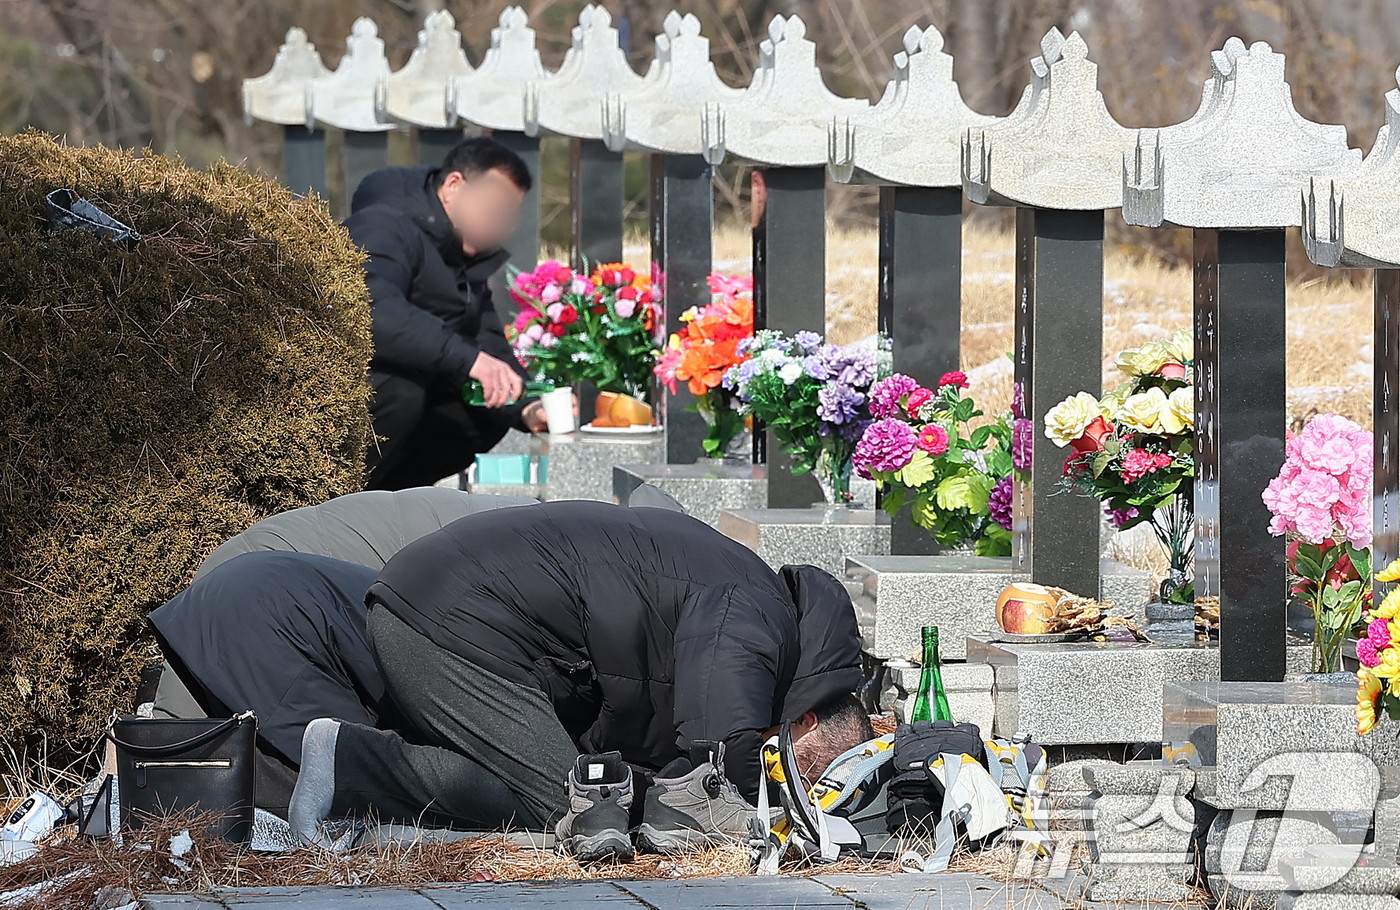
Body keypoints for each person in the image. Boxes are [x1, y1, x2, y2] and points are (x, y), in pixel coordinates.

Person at [287, 501, 872, 860]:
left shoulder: (757, 597)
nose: (789, 780)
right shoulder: (758, 611)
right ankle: (350, 767)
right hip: (456, 620)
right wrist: (754, 810)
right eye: (805, 769)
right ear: (805, 720)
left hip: (452, 609)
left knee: (596, 790)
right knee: (578, 807)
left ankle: (352, 765)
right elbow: (718, 741)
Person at [346, 137, 545, 490]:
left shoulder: (463, 258)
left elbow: (486, 342)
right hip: (353, 388)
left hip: (409, 399)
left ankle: (387, 500)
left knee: (486, 407)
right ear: (453, 186)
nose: (500, 226)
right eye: (493, 209)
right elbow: (371, 309)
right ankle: (332, 502)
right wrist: (468, 360)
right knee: (401, 392)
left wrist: (528, 404)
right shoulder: (383, 224)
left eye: (508, 217)